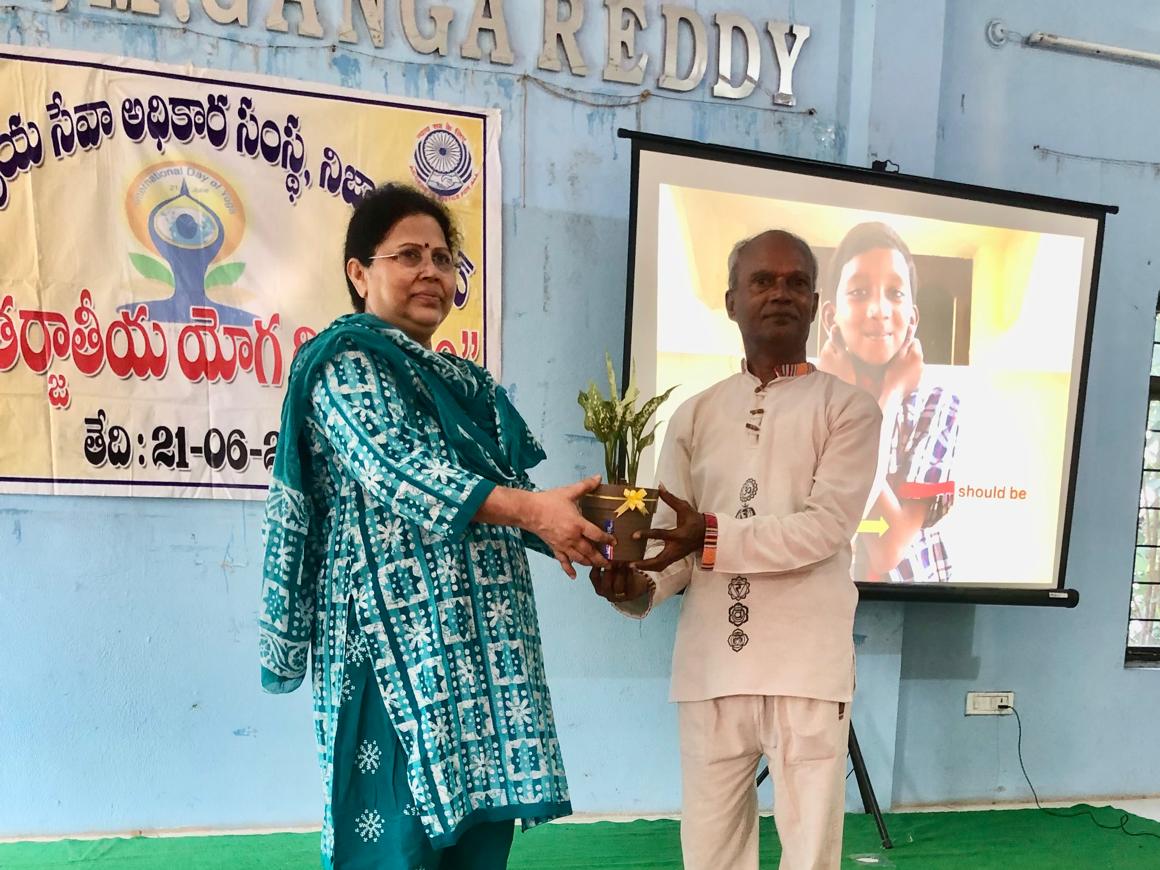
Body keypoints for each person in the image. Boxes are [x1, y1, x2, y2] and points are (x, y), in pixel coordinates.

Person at [259, 183, 612, 870]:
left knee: (476, 841)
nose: (431, 272)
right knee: (394, 840)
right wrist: (535, 511)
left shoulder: (465, 382)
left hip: (478, 653)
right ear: (360, 273)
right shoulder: (344, 366)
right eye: (408, 256)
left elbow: (503, 501)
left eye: (444, 259)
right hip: (390, 648)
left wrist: (583, 527)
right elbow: (400, 470)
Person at [592, 230, 883, 870]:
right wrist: (638, 588)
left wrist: (712, 536)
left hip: (806, 665)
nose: (780, 293)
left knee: (811, 855)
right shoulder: (693, 417)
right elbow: (673, 544)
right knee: (710, 852)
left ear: (816, 304)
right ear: (730, 301)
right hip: (710, 667)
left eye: (796, 282)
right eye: (762, 281)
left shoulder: (850, 409)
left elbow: (825, 528)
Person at [816, 222, 960, 583]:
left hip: (916, 606)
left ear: (912, 317)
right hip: (818, 606)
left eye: (895, 294)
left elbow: (888, 547)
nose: (878, 309)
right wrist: (846, 394)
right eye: (860, 291)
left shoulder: (938, 405)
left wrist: (887, 397)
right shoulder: (806, 398)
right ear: (831, 316)